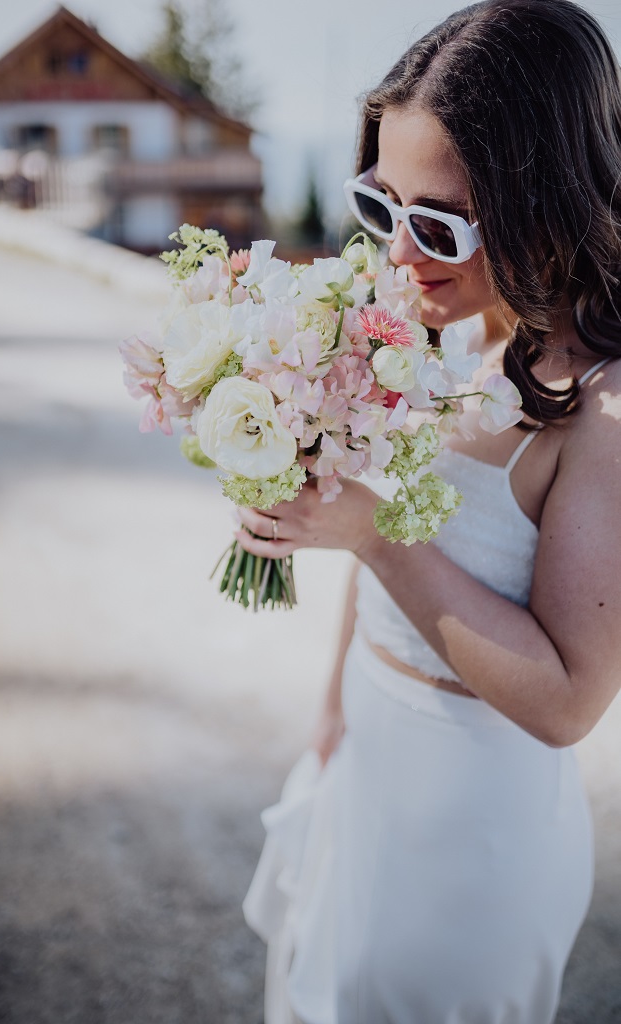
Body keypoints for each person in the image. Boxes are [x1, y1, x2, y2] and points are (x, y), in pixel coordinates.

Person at [237, 1, 621, 1022]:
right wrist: (331, 712)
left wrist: (367, 529)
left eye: (439, 220)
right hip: (366, 753)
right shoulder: (454, 328)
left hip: (471, 823)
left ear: (544, 199)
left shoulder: (603, 416)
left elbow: (568, 702)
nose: (400, 253)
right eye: (379, 206)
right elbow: (385, 543)